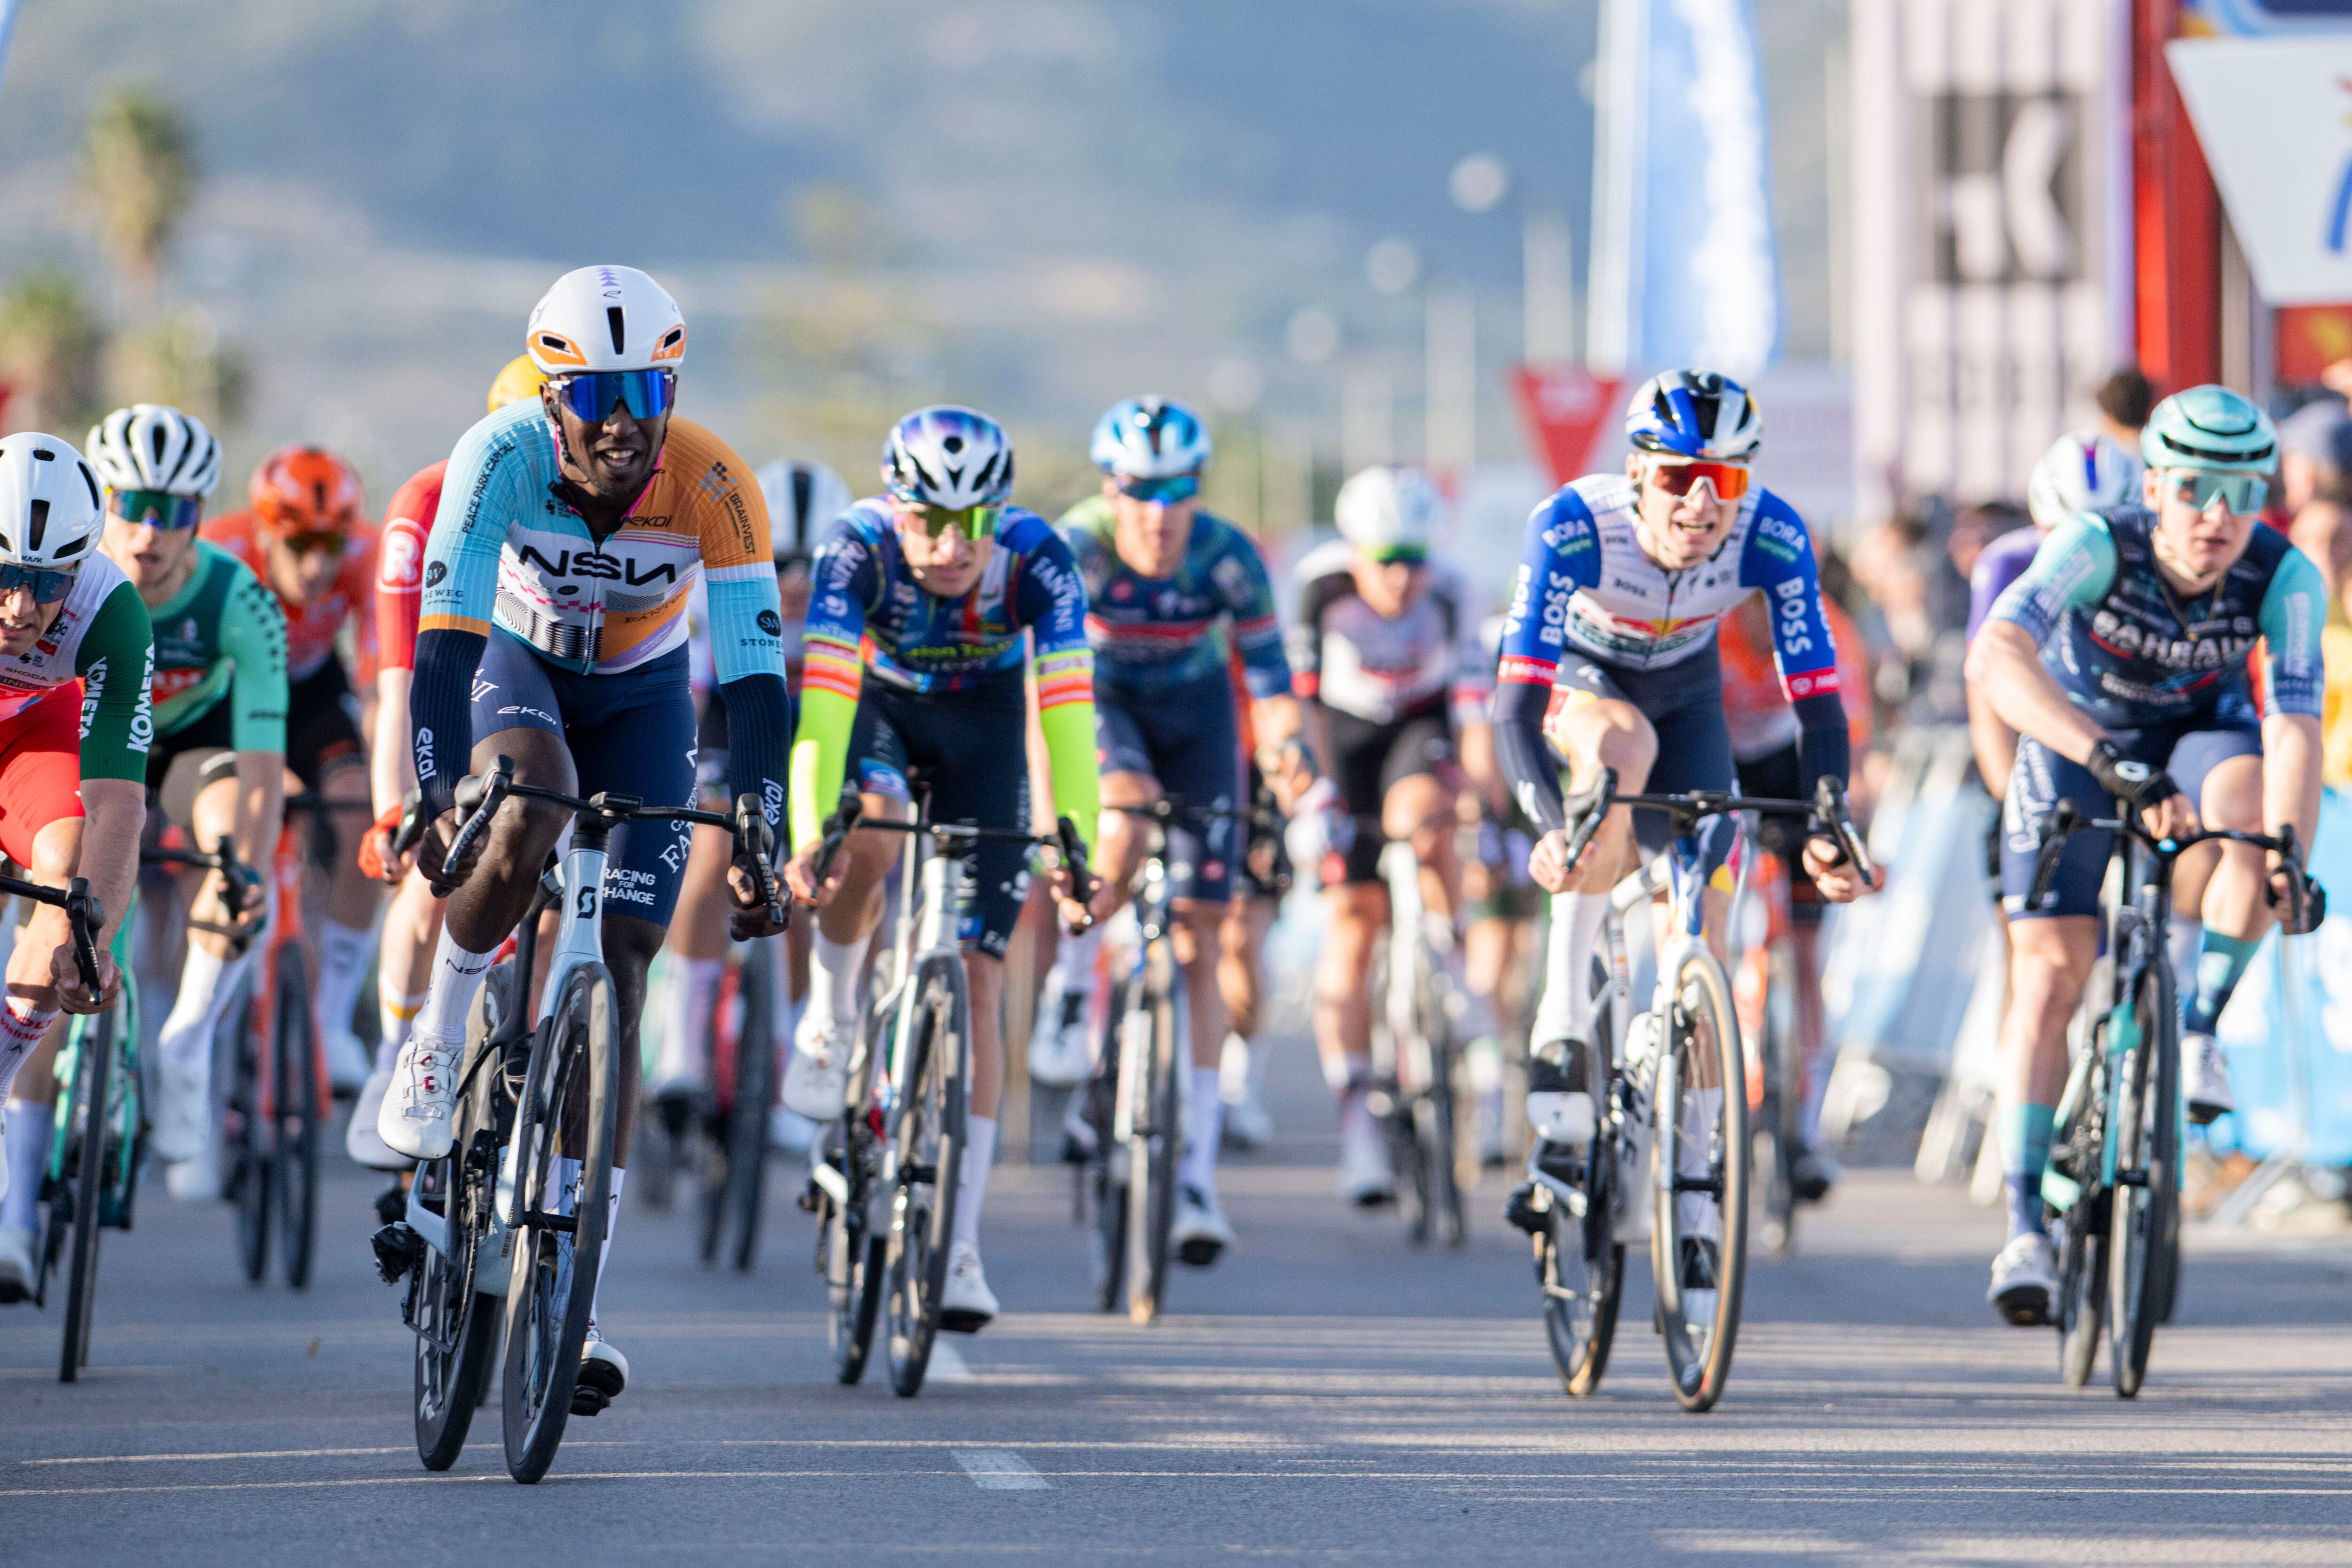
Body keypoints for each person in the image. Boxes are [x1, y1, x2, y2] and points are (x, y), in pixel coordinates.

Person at [386, 265, 795, 1409]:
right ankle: (436, 1031)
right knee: (532, 805)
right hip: (513, 665)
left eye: (646, 392)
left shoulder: (716, 480)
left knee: (622, 956)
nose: (622, 421)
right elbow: (444, 650)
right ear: (552, 394)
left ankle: (580, 1297)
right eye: (596, 394)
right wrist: (429, 785)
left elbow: (757, 684)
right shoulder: (499, 457)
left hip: (641, 690)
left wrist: (764, 817)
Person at [1488, 370, 1875, 1274]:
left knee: (1712, 902)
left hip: (1688, 694)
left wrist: (1827, 820)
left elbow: (1819, 703)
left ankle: (1697, 1177)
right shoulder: (1572, 527)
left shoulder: (1774, 533)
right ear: (1635, 474)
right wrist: (1548, 822)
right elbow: (1513, 710)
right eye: (1677, 478)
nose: (1702, 503)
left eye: (1726, 480)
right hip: (1588, 684)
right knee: (1620, 751)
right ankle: (1560, 1032)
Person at [1966, 385, 2327, 1326]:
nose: (2217, 517)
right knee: (2048, 976)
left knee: (2253, 813)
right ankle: (2022, 1221)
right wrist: (2096, 756)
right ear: (2155, 485)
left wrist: (2291, 852)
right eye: (2196, 489)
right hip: (2082, 738)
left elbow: (2293, 724)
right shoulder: (2096, 540)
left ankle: (2197, 1024)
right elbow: (1997, 655)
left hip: (2203, 736)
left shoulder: (2283, 575)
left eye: (2243, 494)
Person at [782, 404, 1097, 1331]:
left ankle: (959, 1245)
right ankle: (833, 1010)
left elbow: (1069, 714)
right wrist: (812, 832)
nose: (950, 543)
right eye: (928, 517)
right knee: (870, 830)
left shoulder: (1039, 559)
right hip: (878, 708)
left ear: (997, 515)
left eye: (972, 521)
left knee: (982, 974)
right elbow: (824, 711)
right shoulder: (856, 549)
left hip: (986, 723)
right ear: (895, 504)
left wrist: (1075, 841)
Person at [1033, 396, 1312, 1262]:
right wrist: (1054, 816)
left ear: (1198, 490)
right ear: (1109, 489)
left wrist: (1287, 750)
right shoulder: (1072, 548)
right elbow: (1040, 686)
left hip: (1198, 719)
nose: (1158, 513)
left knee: (1202, 939)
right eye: (1139, 491)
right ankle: (1076, 981)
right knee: (1123, 820)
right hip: (1101, 703)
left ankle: (1193, 1176)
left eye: (1177, 490)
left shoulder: (1230, 558)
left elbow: (1269, 681)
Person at [349, 356, 547, 1170]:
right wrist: (397, 806)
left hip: (544, 692)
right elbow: (403, 683)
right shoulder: (428, 505)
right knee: (431, 878)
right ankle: (397, 1053)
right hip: (457, 676)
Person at [91, 403, 287, 1203]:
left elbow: (266, 765)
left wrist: (249, 868)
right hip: (101, 740)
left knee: (230, 843)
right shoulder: (74, 584)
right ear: (103, 503)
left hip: (190, 743)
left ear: (198, 517)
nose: (149, 531)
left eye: (171, 512)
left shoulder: (241, 597)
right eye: (132, 505)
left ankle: (187, 1038)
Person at [1287, 465, 1499, 1205]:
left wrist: (1485, 806)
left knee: (1429, 819)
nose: (1401, 576)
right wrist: (1316, 794)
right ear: (1354, 552)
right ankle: (1357, 1123)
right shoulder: (1322, 588)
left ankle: (1445, 952)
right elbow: (1305, 708)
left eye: (1413, 557)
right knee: (1353, 921)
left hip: (1418, 724)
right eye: (1385, 559)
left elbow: (1474, 715)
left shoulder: (1452, 588)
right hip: (1344, 736)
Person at [647, 457, 851, 1136]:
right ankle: (683, 1036)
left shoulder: (851, 596)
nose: (794, 582)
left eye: (811, 564)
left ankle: (791, 1052)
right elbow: (695, 695)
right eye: (780, 561)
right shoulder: (717, 581)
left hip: (812, 725)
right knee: (712, 851)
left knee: (803, 874)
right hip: (726, 715)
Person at [0, 435, 153, 1299]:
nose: (22, 607)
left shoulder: (113, 612)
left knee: (63, 872)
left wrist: (90, 943)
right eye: (4, 578)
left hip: (34, 731)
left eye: (49, 583)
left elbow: (120, 800)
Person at [200, 446, 380, 1093]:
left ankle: (329, 1018)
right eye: (299, 543)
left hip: (310, 690)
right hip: (233, 691)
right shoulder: (223, 552)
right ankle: (224, 1008)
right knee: (257, 809)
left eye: (330, 544)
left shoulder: (366, 555)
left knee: (361, 808)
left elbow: (380, 675)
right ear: (266, 531)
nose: (316, 565)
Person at [1715, 578, 1874, 1202]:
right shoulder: (1714, 623)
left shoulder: (1827, 627)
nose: (1764, 618)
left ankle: (1805, 1126)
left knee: (1805, 953)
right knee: (1717, 926)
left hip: (1795, 765)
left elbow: (1850, 749)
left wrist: (1849, 832)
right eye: (1752, 603)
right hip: (1726, 762)